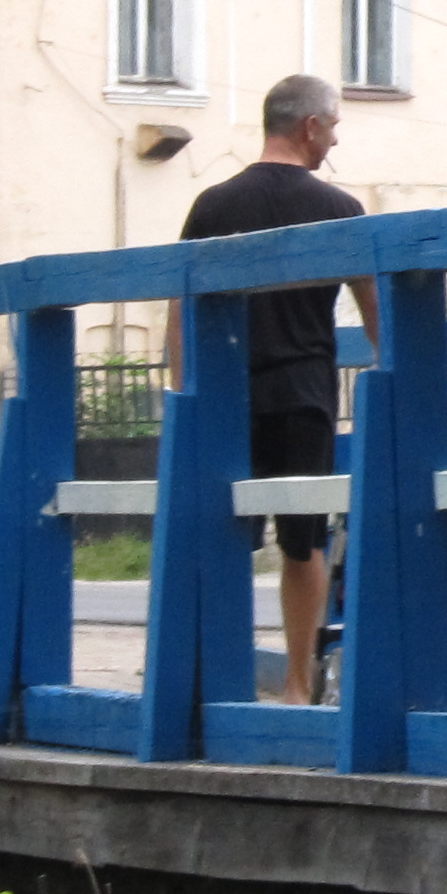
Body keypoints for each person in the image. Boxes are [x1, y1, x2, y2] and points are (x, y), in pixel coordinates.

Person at [173, 72, 373, 703]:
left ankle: (216, 682)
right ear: (310, 126)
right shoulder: (341, 211)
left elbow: (180, 313)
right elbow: (379, 313)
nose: (335, 139)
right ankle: (295, 683)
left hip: (229, 396)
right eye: (333, 125)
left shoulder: (213, 206)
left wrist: (183, 396)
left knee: (222, 535)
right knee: (303, 544)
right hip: (304, 395)